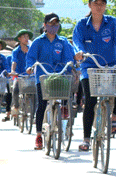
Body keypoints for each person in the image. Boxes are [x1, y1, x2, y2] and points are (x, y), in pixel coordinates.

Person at [72, 0, 116, 152]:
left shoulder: (112, 23)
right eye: (96, 3)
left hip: (111, 66)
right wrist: (79, 53)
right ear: (90, 5)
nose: (99, 7)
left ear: (105, 6)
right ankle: (86, 139)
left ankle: (114, 116)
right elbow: (77, 42)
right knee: (90, 101)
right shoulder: (82, 24)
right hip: (89, 67)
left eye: (102, 4)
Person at [28, 13, 78, 150]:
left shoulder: (63, 42)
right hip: (43, 77)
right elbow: (31, 58)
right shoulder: (38, 42)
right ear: (44, 25)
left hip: (60, 76)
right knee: (42, 105)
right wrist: (30, 66)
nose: (53, 27)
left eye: (56, 25)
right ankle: (38, 135)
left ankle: (64, 110)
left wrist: (72, 68)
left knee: (66, 93)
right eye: (50, 24)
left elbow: (69, 58)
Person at [8, 29, 33, 121]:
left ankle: (34, 113)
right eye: (24, 37)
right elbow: (14, 61)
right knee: (15, 88)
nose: (26, 39)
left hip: (31, 76)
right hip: (19, 75)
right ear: (19, 39)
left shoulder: (31, 49)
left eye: (27, 37)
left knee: (36, 92)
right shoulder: (16, 51)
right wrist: (13, 71)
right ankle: (16, 106)